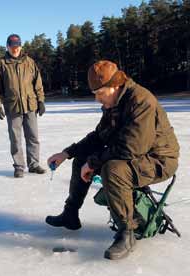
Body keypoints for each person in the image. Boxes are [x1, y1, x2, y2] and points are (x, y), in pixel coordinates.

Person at [45, 60, 179, 260]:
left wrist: (93, 163)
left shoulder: (142, 101)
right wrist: (67, 153)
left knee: (113, 169)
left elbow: (131, 148)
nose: (97, 99)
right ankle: (70, 214)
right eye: (95, 94)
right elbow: (99, 137)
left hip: (159, 160)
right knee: (84, 156)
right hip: (136, 155)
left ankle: (127, 232)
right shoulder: (114, 103)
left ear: (115, 85)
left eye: (100, 93)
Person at [0, 34, 46, 178]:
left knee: (33, 137)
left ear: (21, 46)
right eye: (12, 46)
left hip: (30, 105)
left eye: (17, 46)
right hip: (13, 107)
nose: (15, 49)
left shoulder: (30, 62)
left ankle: (33, 165)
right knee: (15, 139)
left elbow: (37, 84)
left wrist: (41, 101)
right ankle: (19, 166)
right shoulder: (0, 64)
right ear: (7, 46)